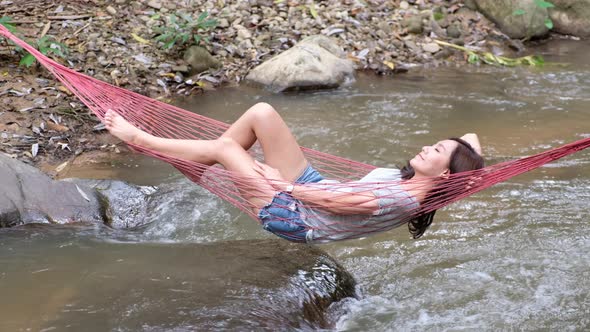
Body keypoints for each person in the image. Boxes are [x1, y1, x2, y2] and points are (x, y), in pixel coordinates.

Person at [104, 102, 484, 243]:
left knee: (226, 149)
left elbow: (334, 201)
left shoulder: (401, 198)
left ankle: (140, 139)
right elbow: (470, 138)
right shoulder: (426, 182)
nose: (425, 147)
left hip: (296, 215)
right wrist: (471, 165)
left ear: (446, 176)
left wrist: (281, 184)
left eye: (436, 150)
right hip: (313, 189)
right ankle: (195, 163)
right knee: (262, 114)